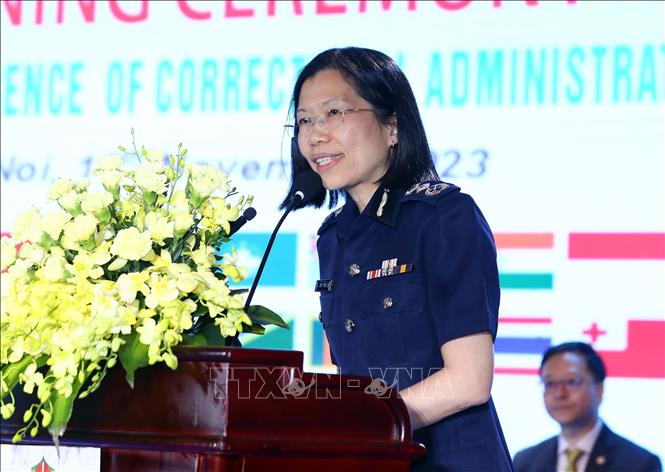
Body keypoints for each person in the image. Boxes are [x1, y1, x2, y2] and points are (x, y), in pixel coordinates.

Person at [280, 47, 514, 471]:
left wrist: (361, 427)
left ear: (392, 125)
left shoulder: (444, 218)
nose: (315, 135)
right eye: (305, 121)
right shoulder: (333, 238)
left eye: (334, 113)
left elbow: (469, 381)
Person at [513, 342, 662, 472]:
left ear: (599, 389)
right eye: (550, 384)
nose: (559, 393)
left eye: (572, 382)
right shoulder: (525, 462)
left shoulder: (639, 464)